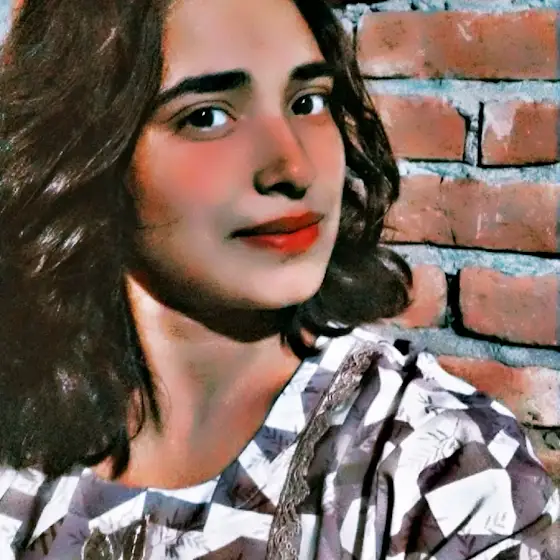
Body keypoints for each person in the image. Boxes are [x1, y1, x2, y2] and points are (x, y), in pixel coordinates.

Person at [0, 0, 557, 558]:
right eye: (207, 116)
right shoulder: (21, 422)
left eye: (308, 102)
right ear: (81, 151)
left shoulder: (439, 469)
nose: (294, 168)